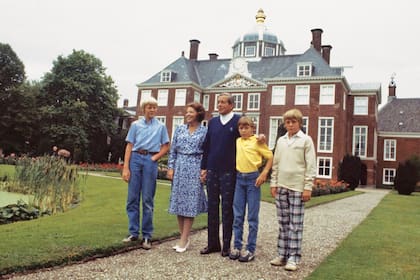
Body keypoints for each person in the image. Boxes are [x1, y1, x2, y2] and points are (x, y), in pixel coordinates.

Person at [269, 108, 316, 271]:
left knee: (295, 224)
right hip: (281, 186)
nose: (290, 125)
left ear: (299, 123)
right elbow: (275, 164)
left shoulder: (306, 140)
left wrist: (307, 187)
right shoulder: (281, 141)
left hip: (297, 187)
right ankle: (282, 255)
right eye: (287, 122)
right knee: (283, 223)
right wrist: (273, 183)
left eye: (293, 122)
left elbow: (310, 166)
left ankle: (293, 258)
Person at [121, 97, 170, 249]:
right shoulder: (135, 125)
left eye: (154, 107)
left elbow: (166, 146)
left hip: (150, 160)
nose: (152, 110)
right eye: (149, 107)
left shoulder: (160, 127)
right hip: (135, 158)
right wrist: (126, 167)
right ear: (143, 109)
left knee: (148, 199)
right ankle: (133, 232)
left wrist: (154, 157)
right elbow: (129, 146)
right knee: (132, 198)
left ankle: (147, 235)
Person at [200, 93, 240, 257]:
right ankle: (213, 244)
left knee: (227, 208)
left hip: (229, 172)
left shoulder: (238, 121)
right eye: (219, 102)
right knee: (212, 207)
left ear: (231, 105)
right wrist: (203, 168)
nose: (220, 105)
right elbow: (207, 146)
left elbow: (245, 143)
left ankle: (226, 246)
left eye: (223, 102)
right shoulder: (213, 122)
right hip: (212, 170)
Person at [229, 116, 273, 262]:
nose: (243, 130)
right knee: (238, 215)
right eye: (241, 128)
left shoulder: (257, 141)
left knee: (252, 217)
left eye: (246, 127)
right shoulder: (237, 141)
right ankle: (237, 246)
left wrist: (264, 173)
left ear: (252, 128)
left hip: (253, 179)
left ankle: (250, 249)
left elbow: (270, 156)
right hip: (239, 179)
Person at [167, 102, 208, 253]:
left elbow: (207, 153)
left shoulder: (204, 131)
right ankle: (183, 237)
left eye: (191, 112)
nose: (187, 114)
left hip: (195, 167)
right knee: (179, 202)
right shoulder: (179, 129)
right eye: (187, 112)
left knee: (190, 203)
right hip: (179, 167)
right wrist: (171, 167)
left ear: (198, 113)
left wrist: (204, 170)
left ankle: (184, 239)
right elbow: (173, 150)